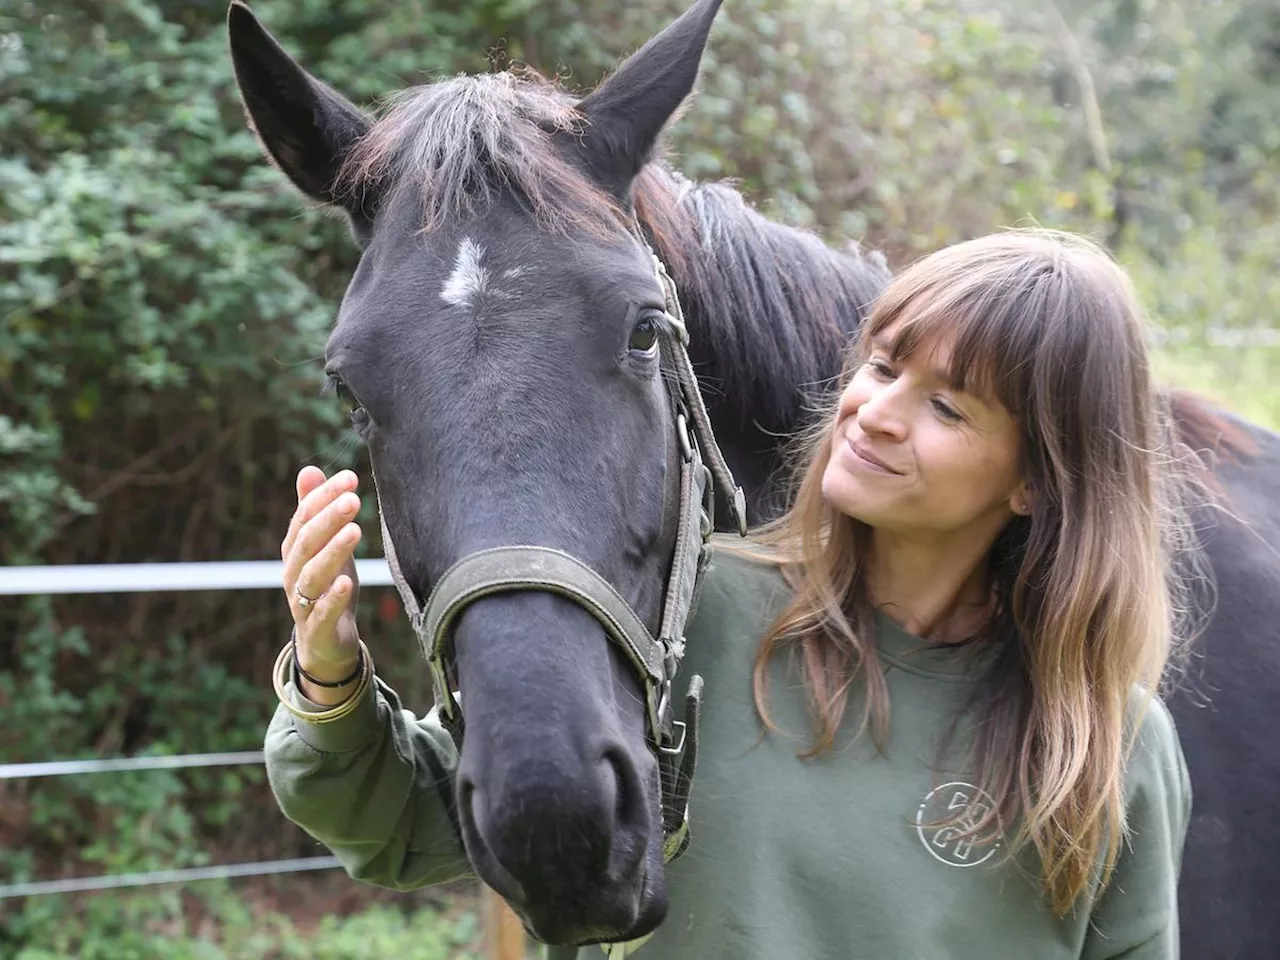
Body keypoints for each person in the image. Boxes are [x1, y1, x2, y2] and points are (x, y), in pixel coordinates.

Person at [265, 229, 1200, 958]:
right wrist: (329, 676)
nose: (874, 413)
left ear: (1038, 479)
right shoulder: (688, 616)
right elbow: (407, 825)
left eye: (947, 406)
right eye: (881, 366)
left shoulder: (1108, 747)